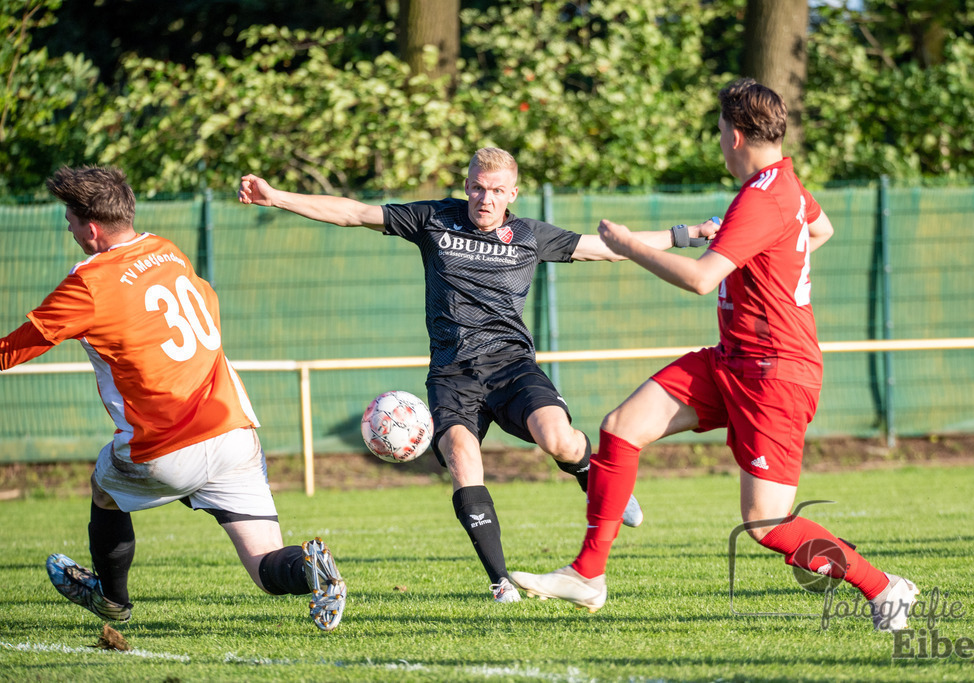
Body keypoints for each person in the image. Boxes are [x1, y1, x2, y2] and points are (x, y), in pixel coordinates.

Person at [510, 79, 920, 632]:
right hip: (734, 359)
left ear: (735, 134)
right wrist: (767, 262)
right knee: (623, 426)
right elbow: (820, 229)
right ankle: (588, 574)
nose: (720, 142)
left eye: (720, 132)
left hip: (775, 373)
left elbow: (703, 278)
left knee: (765, 523)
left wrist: (631, 245)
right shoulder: (784, 186)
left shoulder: (762, 196)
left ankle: (885, 588)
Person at [238, 148, 718, 602]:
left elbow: (609, 249)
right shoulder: (433, 219)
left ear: (512, 194)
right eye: (477, 188)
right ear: (466, 187)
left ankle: (589, 474)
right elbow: (353, 212)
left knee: (561, 440)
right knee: (463, 460)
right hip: (451, 377)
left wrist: (689, 234)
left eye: (496, 190)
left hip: (512, 367)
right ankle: (501, 581)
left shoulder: (530, 235)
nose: (485, 199)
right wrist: (276, 197)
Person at [0, 166, 347, 631]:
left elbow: (16, 348)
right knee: (266, 567)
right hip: (232, 433)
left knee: (105, 490)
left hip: (163, 447)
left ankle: (114, 603)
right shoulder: (166, 250)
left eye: (70, 217)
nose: (68, 225)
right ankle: (309, 568)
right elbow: (208, 304)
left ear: (92, 227)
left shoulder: (89, 283)